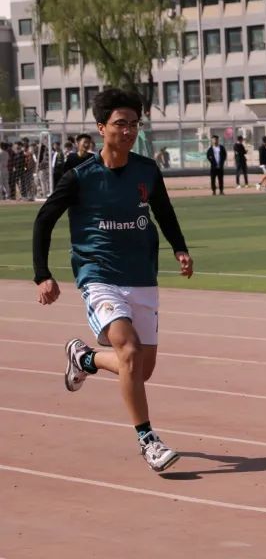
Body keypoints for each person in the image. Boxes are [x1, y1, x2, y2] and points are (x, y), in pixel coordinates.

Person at [31, 87, 193, 473]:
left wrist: (180, 248)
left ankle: (84, 358)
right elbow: (44, 220)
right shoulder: (80, 177)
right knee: (130, 352)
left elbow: (164, 211)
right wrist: (42, 274)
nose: (129, 130)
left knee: (140, 370)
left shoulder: (146, 171)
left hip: (142, 275)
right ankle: (148, 440)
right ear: (101, 127)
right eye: (121, 123)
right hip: (98, 275)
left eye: (135, 124)